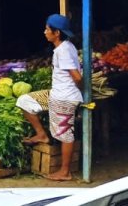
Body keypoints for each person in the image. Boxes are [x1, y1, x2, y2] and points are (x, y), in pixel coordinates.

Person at [16, 14, 82, 182]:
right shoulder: (63, 47)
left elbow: (77, 77)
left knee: (64, 134)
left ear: (57, 32)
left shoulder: (64, 50)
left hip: (64, 98)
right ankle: (41, 134)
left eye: (47, 29)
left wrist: (77, 94)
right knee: (24, 101)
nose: (45, 32)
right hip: (55, 94)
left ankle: (65, 172)